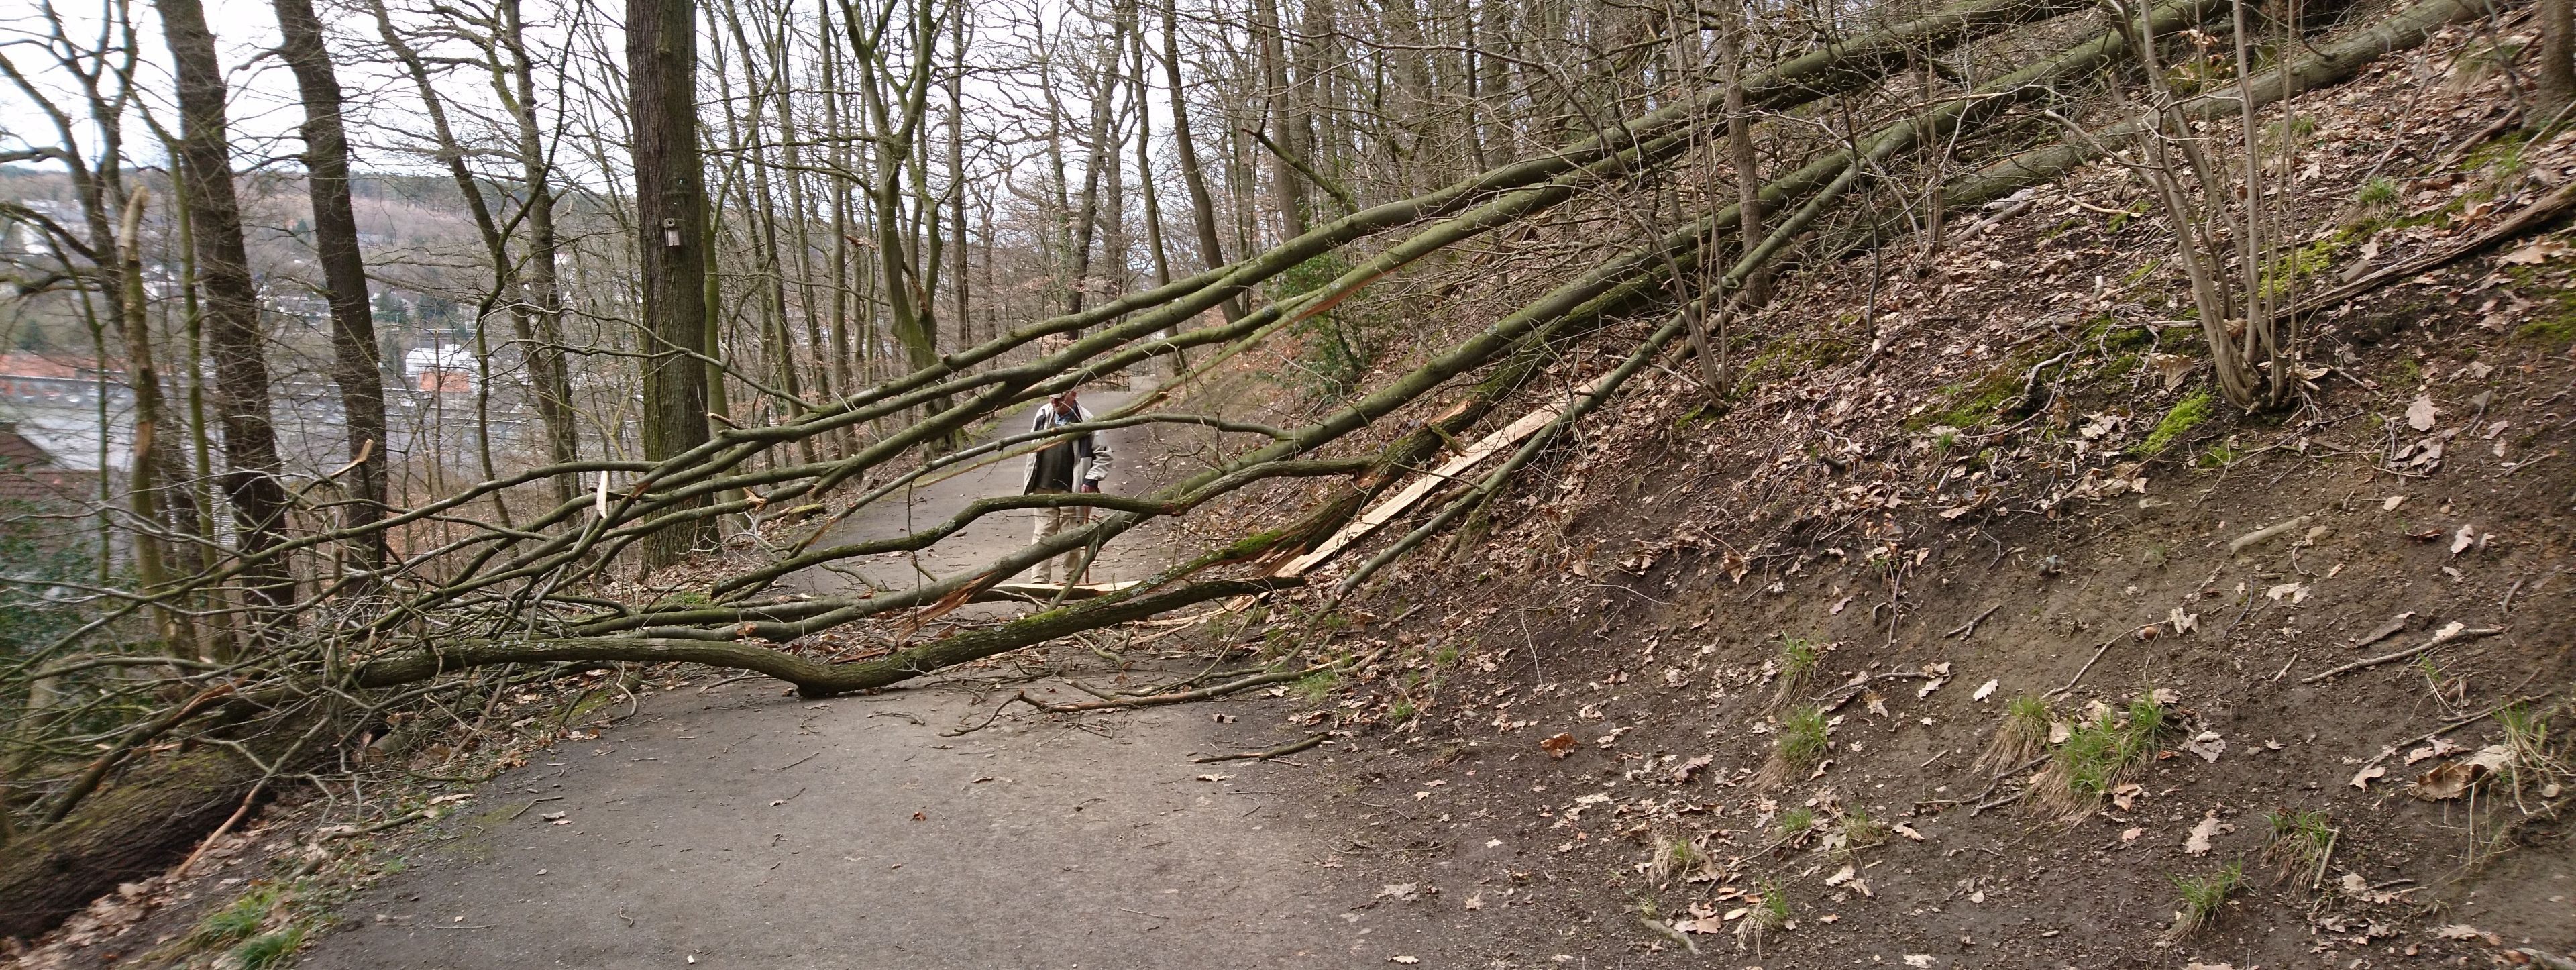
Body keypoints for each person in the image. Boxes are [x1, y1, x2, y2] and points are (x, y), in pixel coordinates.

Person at [1022, 388, 1111, 584]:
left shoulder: (1086, 420)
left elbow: (1104, 454)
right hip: (1042, 486)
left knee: (1071, 538)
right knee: (1042, 538)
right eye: (1052, 398)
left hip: (1072, 488)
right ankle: (1039, 583)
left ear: (1073, 395)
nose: (1055, 402)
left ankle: (1071, 582)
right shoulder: (1043, 414)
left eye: (1060, 399)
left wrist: (1091, 479)